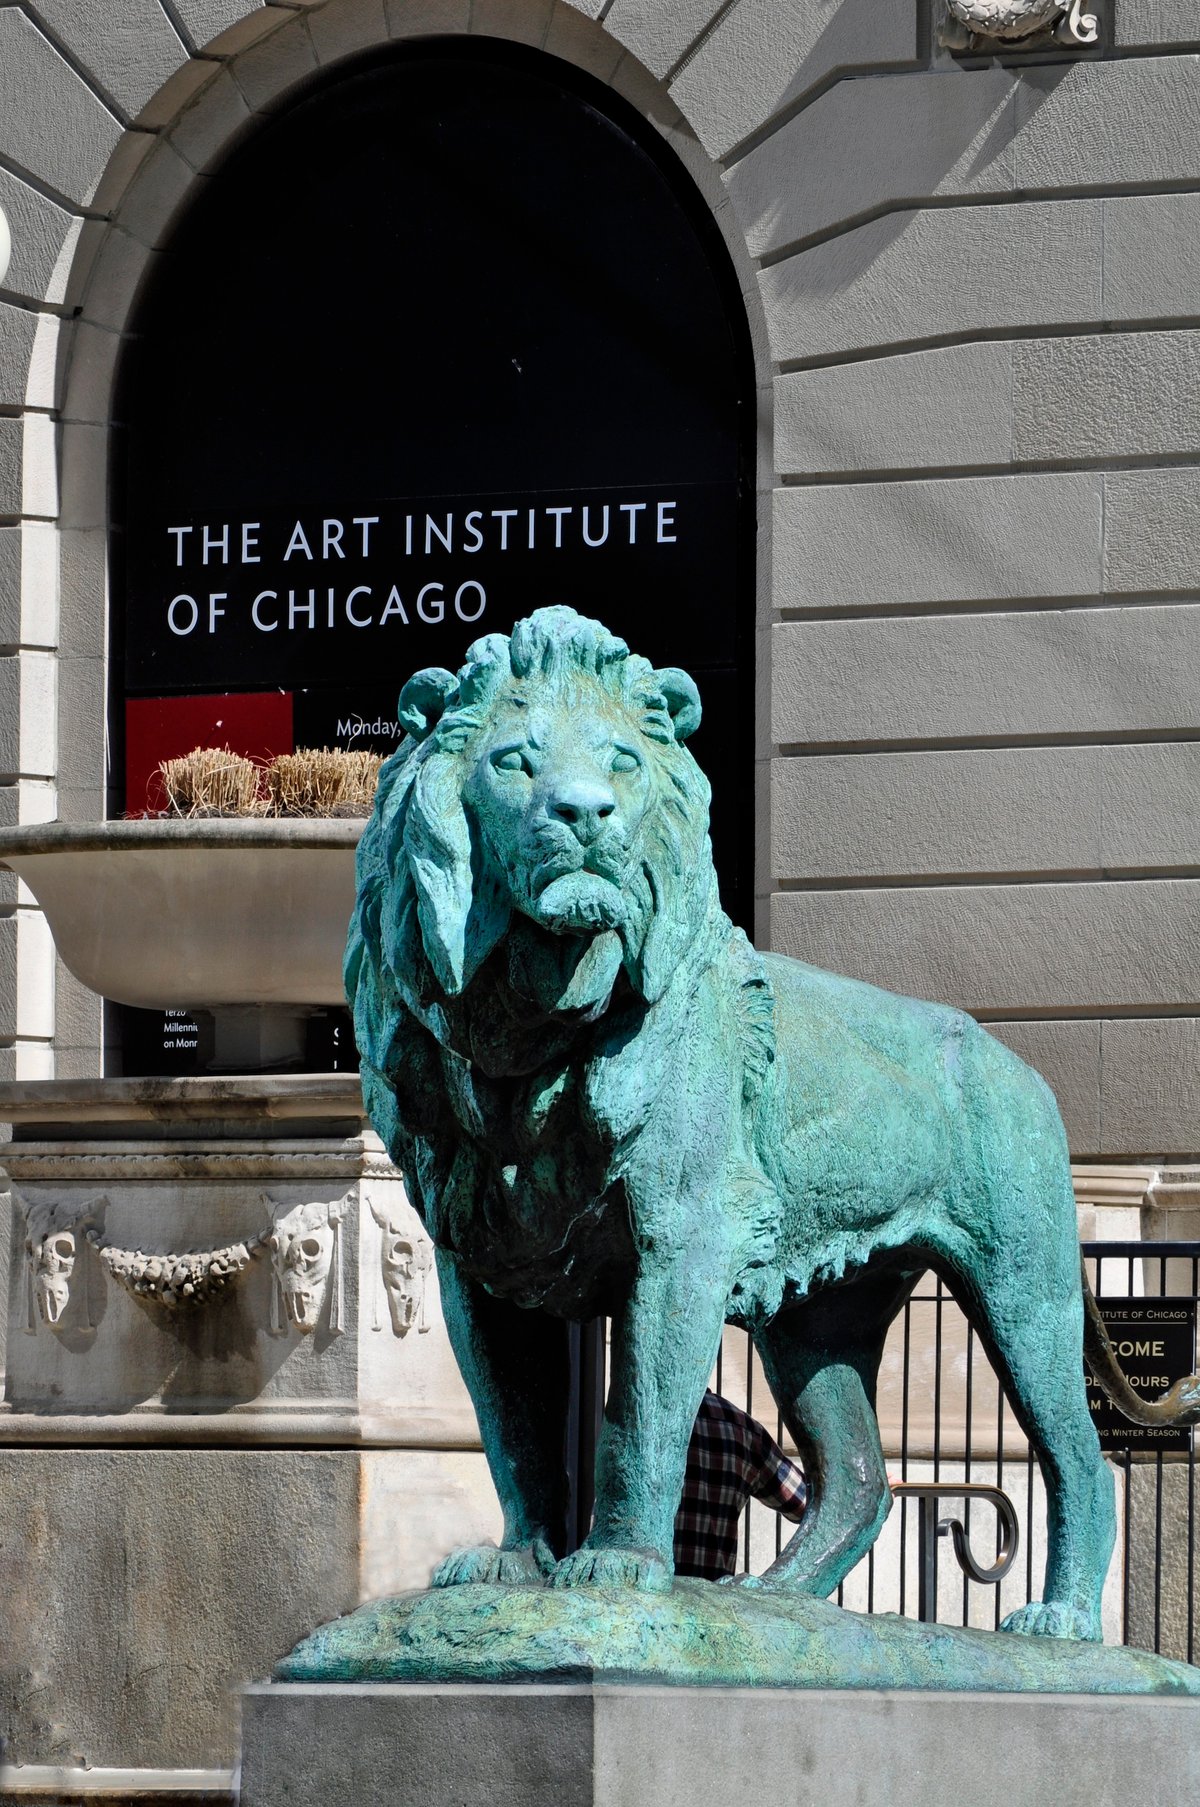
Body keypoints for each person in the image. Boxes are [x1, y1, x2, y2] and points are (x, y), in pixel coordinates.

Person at [673, 1388, 808, 1580]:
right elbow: (805, 1503)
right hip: (711, 1601)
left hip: (636, 1602)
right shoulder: (741, 1428)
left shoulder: (632, 1421)